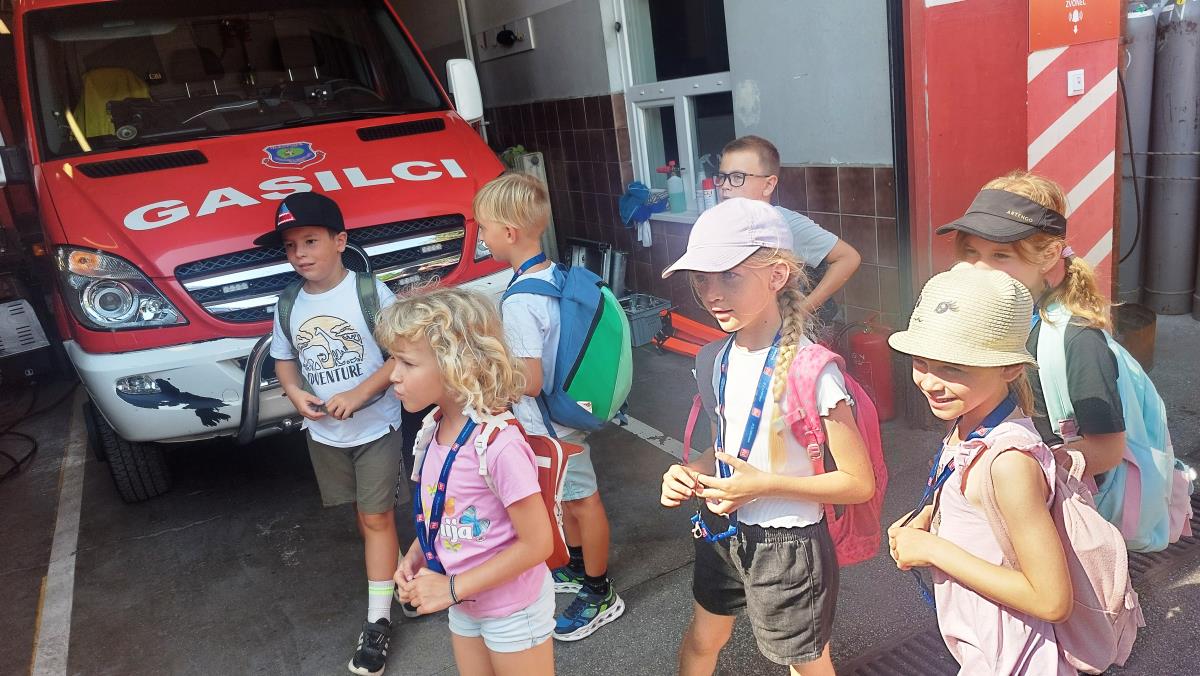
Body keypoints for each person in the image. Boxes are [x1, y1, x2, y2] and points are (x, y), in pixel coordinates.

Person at [658, 198, 875, 676]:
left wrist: (763, 486)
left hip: (789, 545)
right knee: (702, 640)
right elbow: (723, 449)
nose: (712, 293)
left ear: (777, 276)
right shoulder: (713, 358)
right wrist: (689, 472)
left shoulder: (813, 371)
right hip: (721, 529)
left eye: (729, 276)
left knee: (806, 665)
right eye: (701, 279)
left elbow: (858, 484)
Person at [887, 265, 1074, 674]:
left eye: (953, 368)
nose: (930, 382)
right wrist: (926, 516)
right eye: (921, 362)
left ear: (1010, 369)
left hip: (1012, 658)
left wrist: (933, 549)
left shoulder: (1009, 463)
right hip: (981, 644)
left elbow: (1051, 600)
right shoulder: (969, 420)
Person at [256, 192, 406, 676]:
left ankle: (378, 622)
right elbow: (284, 359)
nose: (299, 253)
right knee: (367, 516)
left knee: (376, 517)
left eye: (310, 241)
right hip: (325, 436)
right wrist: (295, 394)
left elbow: (400, 357)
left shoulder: (370, 292)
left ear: (340, 241)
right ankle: (401, 576)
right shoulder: (288, 303)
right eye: (290, 245)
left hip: (376, 426)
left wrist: (360, 393)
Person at [472, 172, 625, 641]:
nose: (481, 236)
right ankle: (577, 565)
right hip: (565, 411)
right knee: (569, 497)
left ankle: (599, 592)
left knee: (582, 500)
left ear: (509, 232)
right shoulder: (551, 274)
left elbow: (530, 379)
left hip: (551, 423)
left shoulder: (520, 302)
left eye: (484, 228)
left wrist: (486, 375)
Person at [382, 288, 556, 676]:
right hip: (464, 602)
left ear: (454, 364)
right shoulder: (433, 429)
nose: (393, 374)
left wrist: (451, 588)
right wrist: (416, 553)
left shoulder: (498, 445)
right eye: (393, 359)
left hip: (512, 608)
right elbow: (444, 510)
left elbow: (538, 543)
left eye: (407, 362)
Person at [936, 171, 1126, 478]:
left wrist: (1027, 478)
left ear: (1049, 255)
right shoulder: (978, 317)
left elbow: (1108, 449)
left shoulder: (1077, 340)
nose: (979, 268)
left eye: (1000, 255)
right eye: (971, 252)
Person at [716, 135, 861, 323]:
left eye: (737, 177)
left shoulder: (783, 222)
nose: (725, 186)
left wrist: (802, 311)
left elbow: (848, 258)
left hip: (799, 331)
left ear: (768, 185)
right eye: (722, 177)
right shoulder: (726, 224)